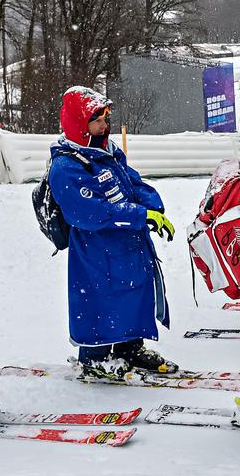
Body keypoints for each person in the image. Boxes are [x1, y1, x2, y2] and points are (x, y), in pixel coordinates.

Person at [48, 86, 176, 380]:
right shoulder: (67, 165)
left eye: (106, 118)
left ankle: (129, 348)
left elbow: (134, 184)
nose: (104, 126)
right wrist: (140, 216)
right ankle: (94, 356)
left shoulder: (109, 152)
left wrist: (152, 207)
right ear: (80, 125)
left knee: (133, 294)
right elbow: (90, 213)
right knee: (100, 301)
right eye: (97, 120)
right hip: (97, 253)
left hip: (127, 245)